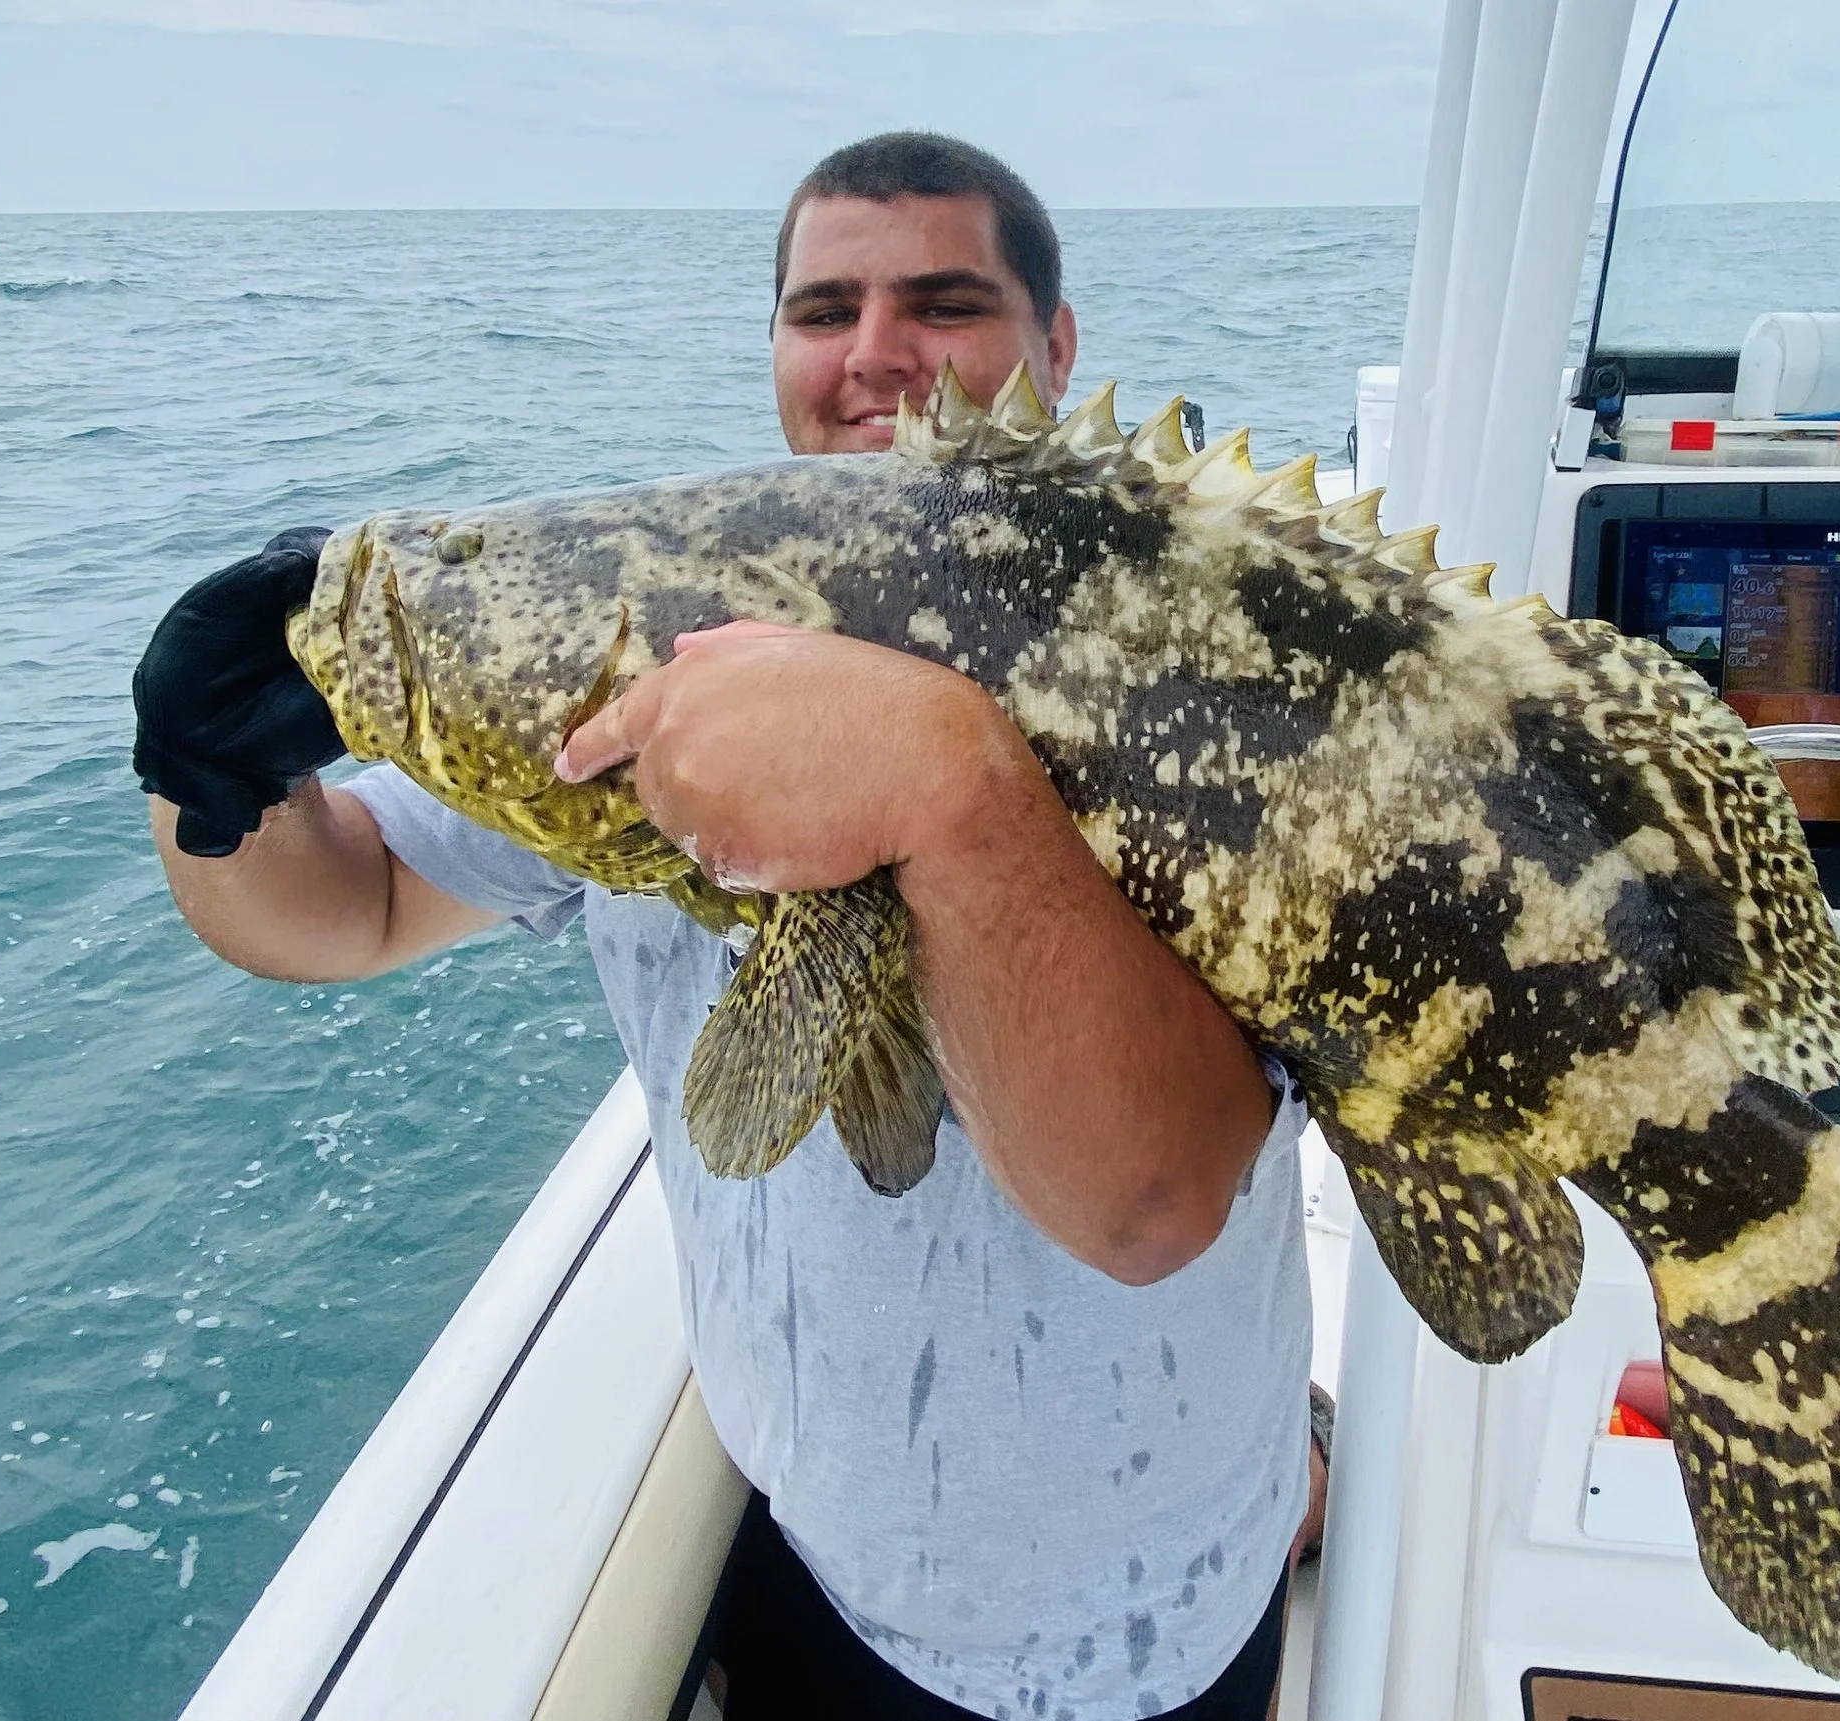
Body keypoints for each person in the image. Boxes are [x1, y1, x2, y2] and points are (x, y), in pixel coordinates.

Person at [133, 132, 1324, 1720]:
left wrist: (952, 780)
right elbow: (343, 913)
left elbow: (1154, 1201)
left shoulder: (1198, 663)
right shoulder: (659, 638)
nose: (875, 352)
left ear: (1056, 344)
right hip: (817, 1546)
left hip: (1146, 1618)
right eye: (824, 309)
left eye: (945, 303)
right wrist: (211, 775)